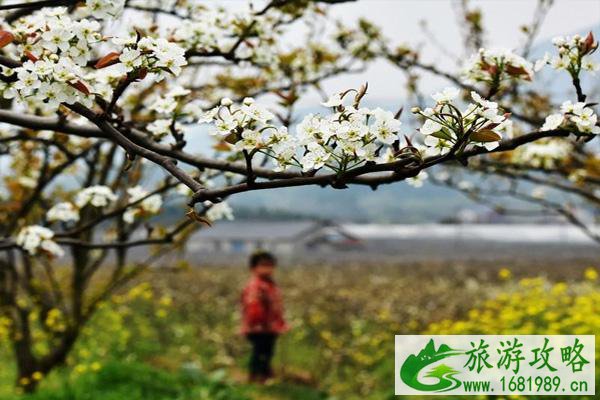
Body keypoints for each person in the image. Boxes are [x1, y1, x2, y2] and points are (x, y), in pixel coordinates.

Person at [240, 250, 288, 383]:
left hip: (270, 327)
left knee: (267, 352)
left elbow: (276, 307)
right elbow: (253, 307)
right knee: (260, 352)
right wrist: (259, 322)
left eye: (270, 265)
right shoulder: (255, 285)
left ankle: (264, 374)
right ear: (253, 267)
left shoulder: (270, 284)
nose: (267, 268)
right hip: (258, 328)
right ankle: (256, 376)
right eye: (263, 265)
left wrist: (281, 323)